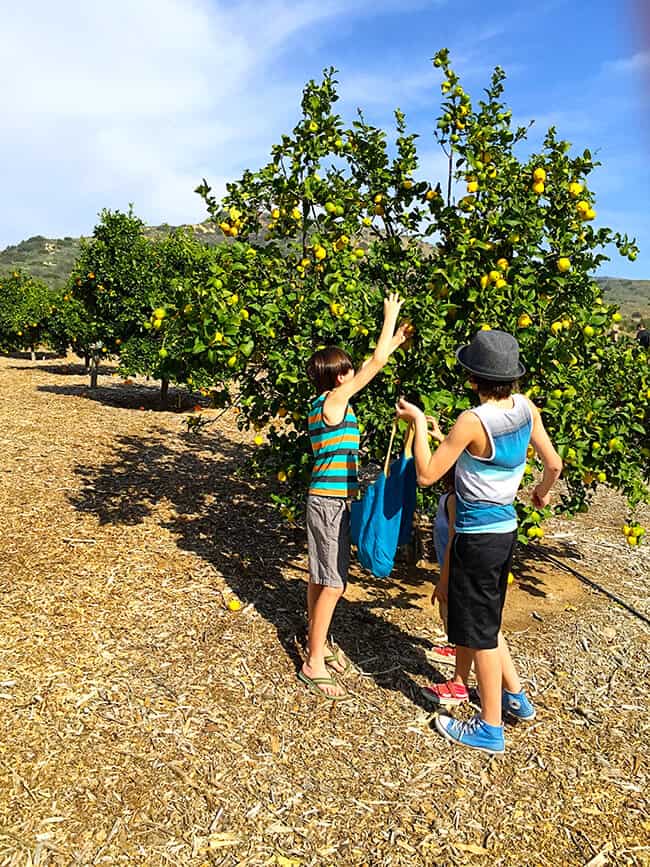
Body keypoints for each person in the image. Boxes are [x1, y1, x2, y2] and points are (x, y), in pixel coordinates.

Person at [396, 329, 562, 754]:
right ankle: (516, 698)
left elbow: (428, 474)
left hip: (476, 537)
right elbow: (554, 463)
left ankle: (490, 728)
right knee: (487, 621)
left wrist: (417, 425)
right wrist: (541, 491)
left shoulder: (472, 421)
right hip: (506, 532)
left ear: (472, 378)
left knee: (482, 636)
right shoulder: (526, 409)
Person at [299, 292, 411, 700]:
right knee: (333, 584)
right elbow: (374, 365)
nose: (352, 373)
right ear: (335, 378)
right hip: (328, 503)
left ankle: (319, 642)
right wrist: (388, 319)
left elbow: (372, 363)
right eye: (346, 370)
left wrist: (395, 341)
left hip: (330, 499)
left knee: (320, 577)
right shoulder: (333, 402)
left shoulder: (325, 401)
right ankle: (313, 662)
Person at [421, 461, 474, 707]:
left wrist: (443, 580)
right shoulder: (449, 496)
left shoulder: (454, 500)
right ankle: (455, 646)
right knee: (448, 609)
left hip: (453, 568)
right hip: (448, 564)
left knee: (447, 606)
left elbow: (454, 538)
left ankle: (457, 649)